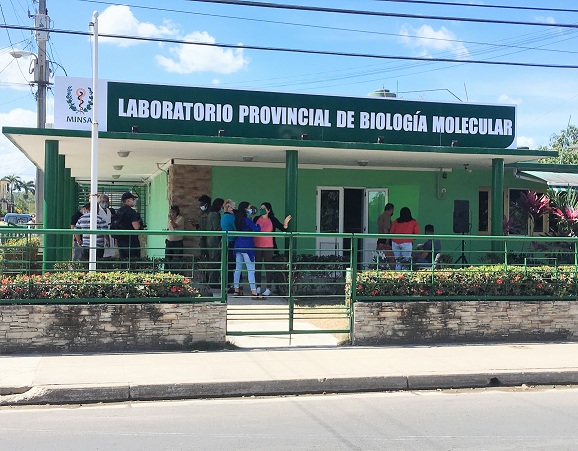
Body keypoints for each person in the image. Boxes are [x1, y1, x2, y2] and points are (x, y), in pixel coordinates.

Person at [253, 202, 291, 297]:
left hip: (269, 246)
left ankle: (268, 288)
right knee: (257, 267)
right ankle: (257, 287)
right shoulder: (256, 219)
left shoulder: (272, 220)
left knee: (268, 267)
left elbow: (283, 229)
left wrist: (285, 223)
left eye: (264, 208)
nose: (262, 210)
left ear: (269, 210)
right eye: (260, 208)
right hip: (256, 246)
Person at [233, 201, 261, 298]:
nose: (250, 209)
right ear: (245, 209)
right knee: (250, 269)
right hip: (247, 245)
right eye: (249, 208)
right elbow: (256, 230)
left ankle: (236, 289)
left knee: (238, 268)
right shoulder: (247, 220)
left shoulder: (237, 219)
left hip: (238, 244)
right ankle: (253, 291)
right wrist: (258, 225)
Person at [114, 192, 142, 261]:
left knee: (123, 261)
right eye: (132, 199)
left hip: (120, 241)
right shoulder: (131, 212)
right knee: (134, 262)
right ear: (127, 200)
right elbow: (136, 227)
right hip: (131, 241)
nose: (134, 201)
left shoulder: (119, 211)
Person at [206, 198, 225, 287]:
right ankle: (213, 282)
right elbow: (217, 228)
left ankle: (211, 280)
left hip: (209, 239)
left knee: (212, 260)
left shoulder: (209, 214)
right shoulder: (215, 215)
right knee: (215, 261)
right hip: (215, 241)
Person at [221, 199, 238, 293]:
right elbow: (236, 229)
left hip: (225, 241)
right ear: (229, 208)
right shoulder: (231, 218)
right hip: (231, 241)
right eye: (234, 207)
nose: (235, 209)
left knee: (228, 264)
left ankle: (228, 283)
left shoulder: (224, 217)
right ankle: (232, 284)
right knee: (233, 264)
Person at [165, 205, 184, 272]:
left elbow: (175, 226)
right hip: (169, 242)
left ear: (175, 213)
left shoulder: (180, 219)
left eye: (172, 212)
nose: (170, 214)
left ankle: (177, 274)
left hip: (177, 242)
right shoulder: (171, 221)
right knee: (167, 259)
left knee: (177, 259)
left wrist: (170, 220)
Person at [376, 202, 395, 267]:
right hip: (385, 240)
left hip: (380, 239)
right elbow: (386, 229)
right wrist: (387, 241)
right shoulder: (387, 217)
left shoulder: (380, 217)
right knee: (388, 258)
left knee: (380, 257)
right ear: (391, 209)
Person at [98, 194, 116, 258]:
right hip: (101, 233)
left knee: (110, 251)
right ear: (99, 202)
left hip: (109, 231)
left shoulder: (109, 211)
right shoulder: (98, 211)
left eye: (106, 201)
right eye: (103, 201)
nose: (105, 203)